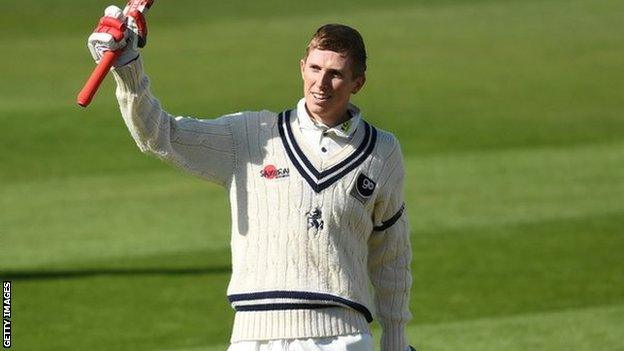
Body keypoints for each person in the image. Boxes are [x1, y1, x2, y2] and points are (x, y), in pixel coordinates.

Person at [87, 5, 414, 351]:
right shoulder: (249, 134)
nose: (321, 83)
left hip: (342, 338)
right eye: (315, 68)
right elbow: (158, 135)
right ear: (302, 68)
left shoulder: (382, 151)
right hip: (253, 336)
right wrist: (128, 66)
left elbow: (392, 256)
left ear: (357, 82)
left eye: (335, 74)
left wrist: (396, 342)